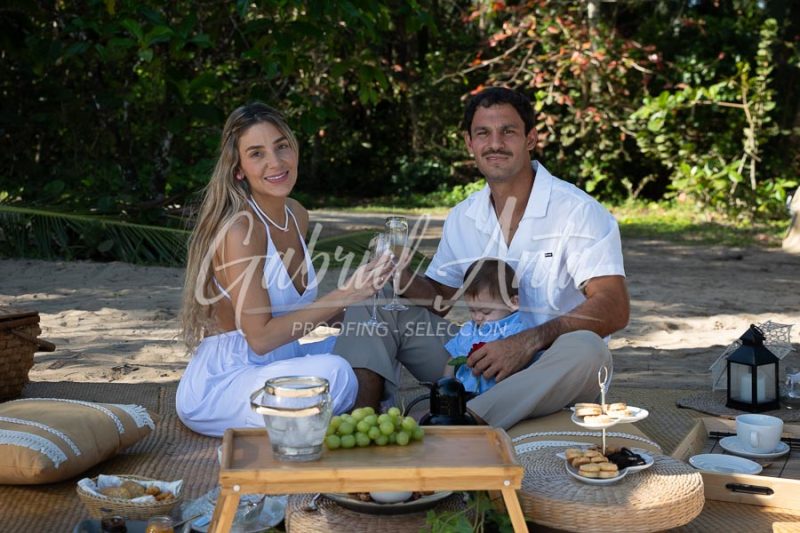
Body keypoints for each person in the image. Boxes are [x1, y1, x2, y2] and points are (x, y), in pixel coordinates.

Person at [333, 87, 630, 429]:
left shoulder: (577, 211)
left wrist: (527, 342)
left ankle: (464, 422)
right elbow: (439, 300)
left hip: (548, 368)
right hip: (476, 364)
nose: (495, 143)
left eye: (508, 131)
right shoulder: (465, 215)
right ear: (469, 143)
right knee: (375, 300)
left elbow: (614, 307)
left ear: (531, 139)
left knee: (590, 350)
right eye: (483, 133)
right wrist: (398, 274)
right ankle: (362, 425)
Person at [176, 103, 393, 437]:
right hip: (229, 381)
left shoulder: (296, 214)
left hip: (284, 362)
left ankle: (353, 423)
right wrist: (346, 293)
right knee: (335, 372)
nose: (275, 162)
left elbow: (294, 311)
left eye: (281, 146)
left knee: (370, 338)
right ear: (238, 169)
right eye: (257, 154)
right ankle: (350, 424)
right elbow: (261, 339)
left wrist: (362, 306)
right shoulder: (240, 230)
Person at [442, 258, 526, 395]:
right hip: (464, 396)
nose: (478, 317)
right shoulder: (469, 329)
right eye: (472, 310)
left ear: (513, 303)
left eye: (486, 312)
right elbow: (453, 358)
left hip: (498, 398)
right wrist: (445, 384)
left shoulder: (516, 331)